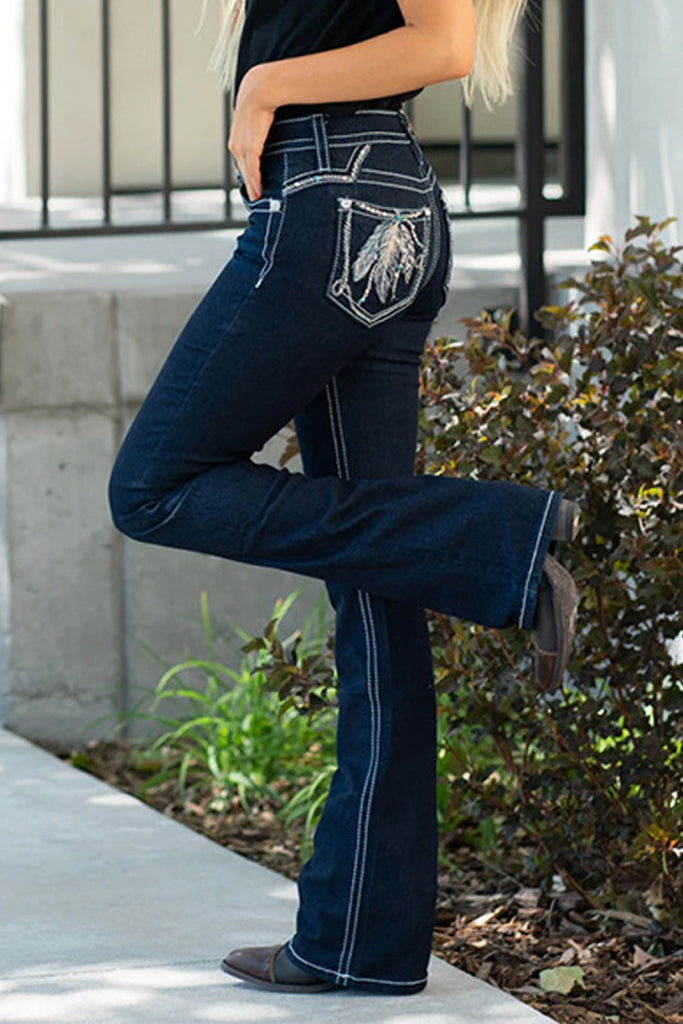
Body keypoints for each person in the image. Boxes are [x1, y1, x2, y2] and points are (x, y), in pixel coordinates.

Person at [108, 0, 579, 996]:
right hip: (370, 199)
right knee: (375, 592)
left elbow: (442, 43)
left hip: (337, 199)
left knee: (153, 487)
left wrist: (264, 84)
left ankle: (502, 535)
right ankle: (356, 937)